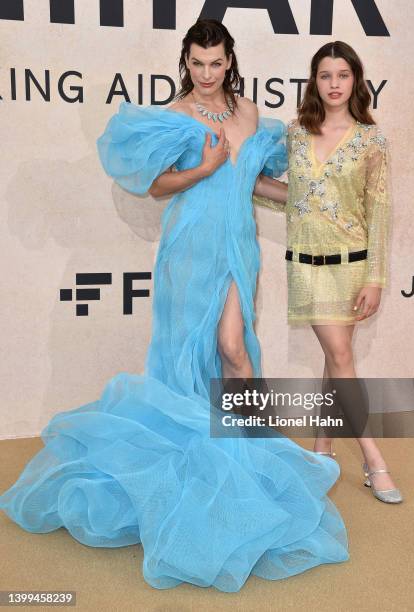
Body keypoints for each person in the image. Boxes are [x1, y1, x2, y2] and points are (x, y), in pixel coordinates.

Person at [0, 21, 349, 592]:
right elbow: (156, 187)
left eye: (215, 62)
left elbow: (257, 181)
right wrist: (203, 170)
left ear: (230, 60)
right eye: (197, 63)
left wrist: (310, 195)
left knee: (235, 348)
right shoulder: (176, 112)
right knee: (193, 356)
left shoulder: (249, 112)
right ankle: (197, 463)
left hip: (237, 244)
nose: (206, 73)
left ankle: (249, 458)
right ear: (185, 61)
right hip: (189, 248)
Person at [255, 41, 403, 504]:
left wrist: (375, 278)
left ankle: (322, 449)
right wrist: (240, 178)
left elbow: (378, 213)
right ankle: (373, 458)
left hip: (353, 265)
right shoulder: (297, 133)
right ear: (314, 81)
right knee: (340, 358)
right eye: (325, 75)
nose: (334, 84)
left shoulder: (371, 140)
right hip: (307, 264)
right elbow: (293, 196)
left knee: (336, 363)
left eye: (343, 75)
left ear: (355, 80)